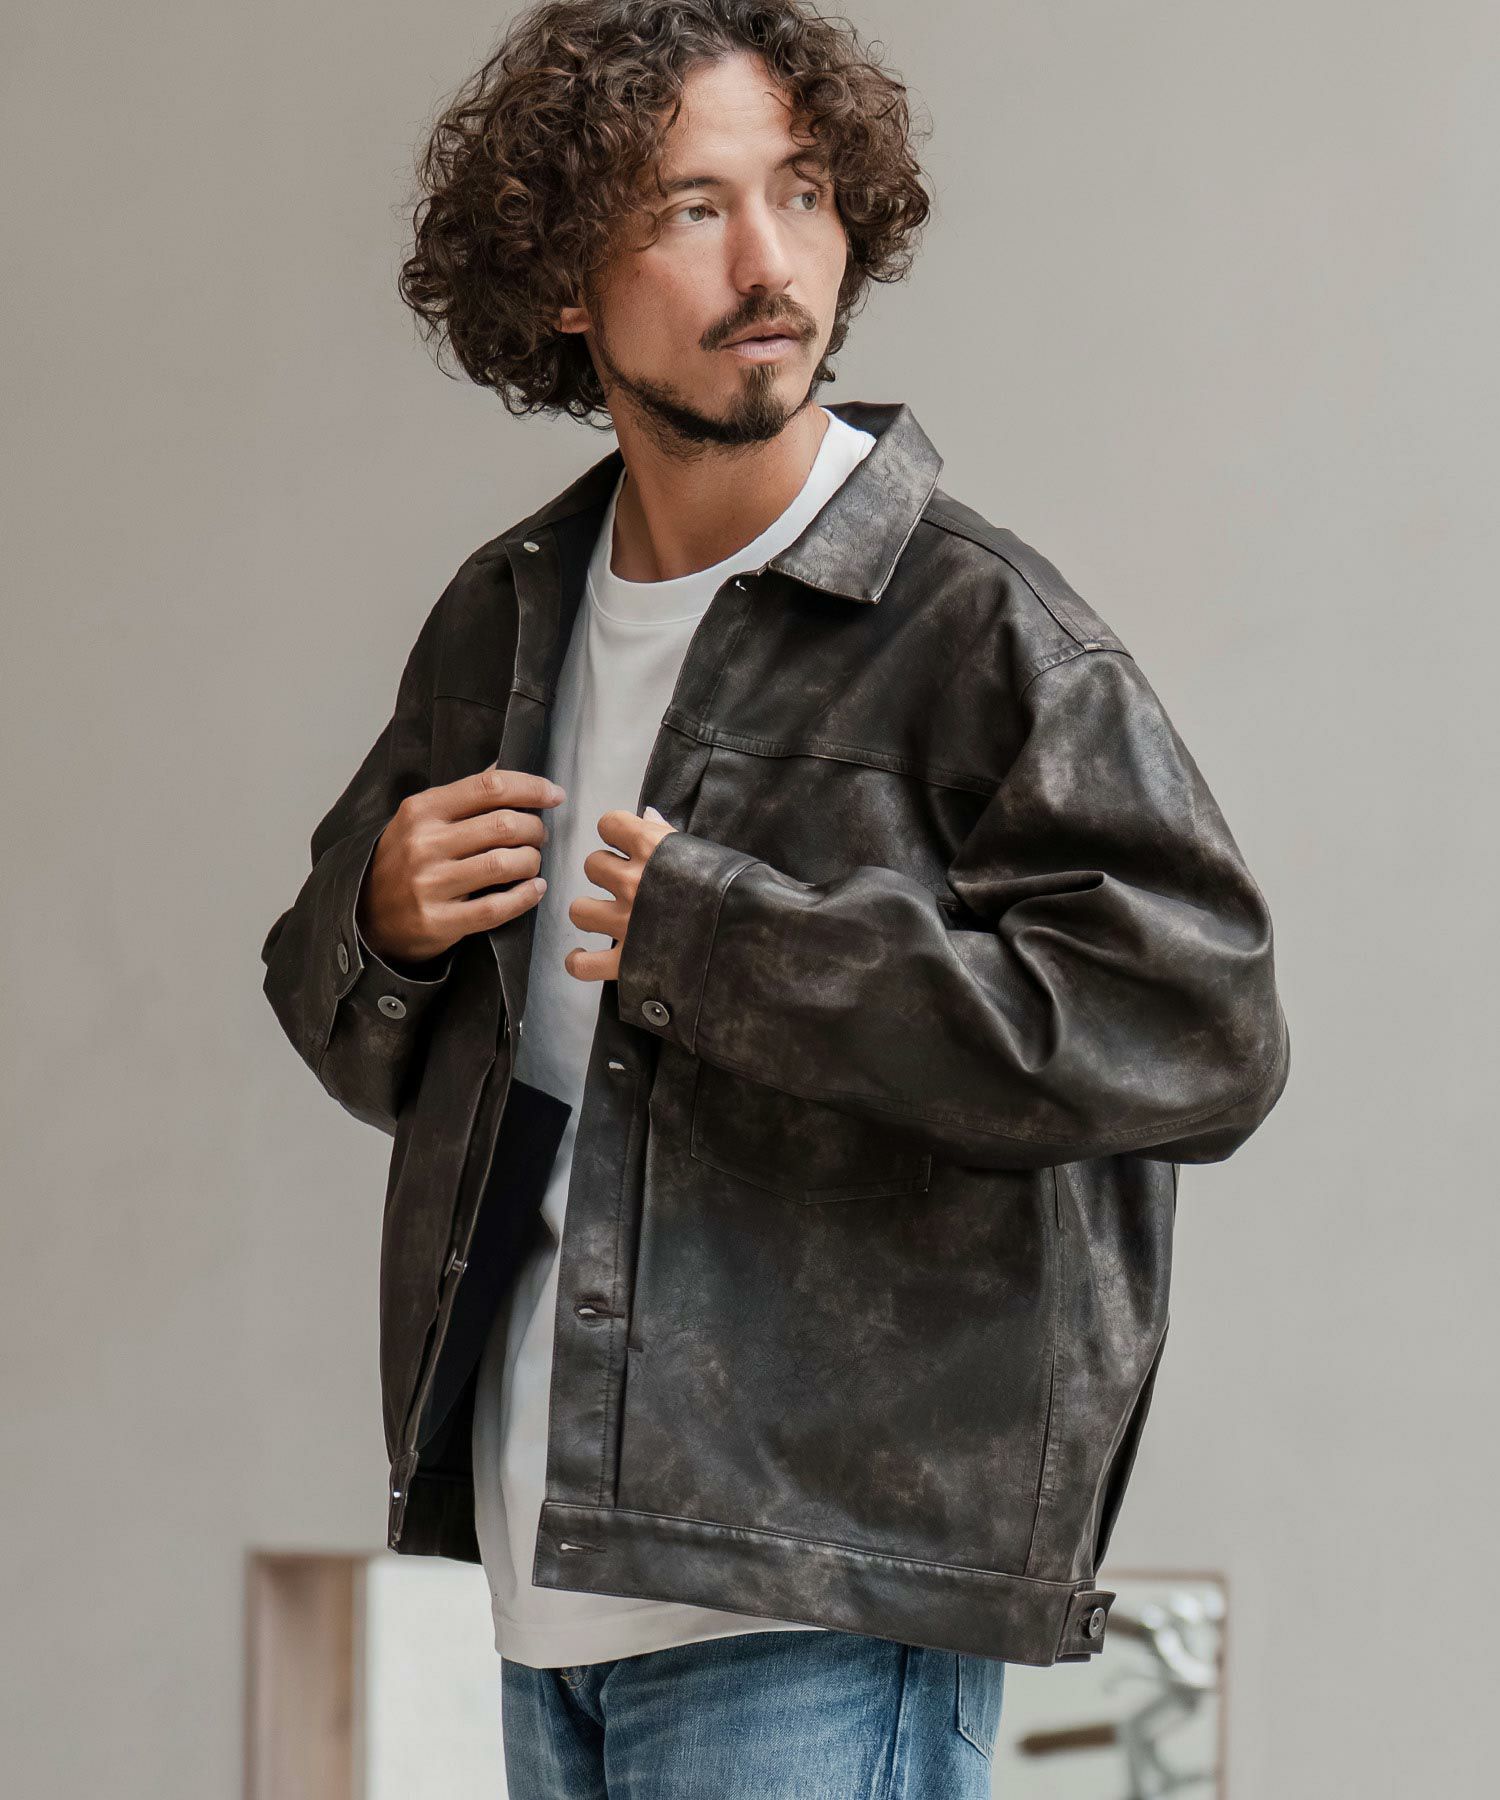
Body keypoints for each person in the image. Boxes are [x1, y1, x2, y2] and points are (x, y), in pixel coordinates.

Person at [261, 3, 1290, 1794]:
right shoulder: (508, 617)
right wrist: (384, 920)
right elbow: (352, 1036)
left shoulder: (975, 630)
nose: (771, 263)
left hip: (818, 1593)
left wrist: (726, 945)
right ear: (560, 282)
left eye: (802, 193)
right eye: (692, 209)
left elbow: (1204, 1030)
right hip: (546, 1574)